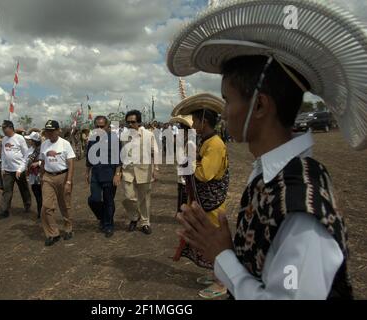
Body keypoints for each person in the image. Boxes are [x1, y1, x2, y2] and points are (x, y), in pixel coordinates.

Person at [167, 0, 367, 299]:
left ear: (259, 105)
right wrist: (227, 252)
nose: (224, 113)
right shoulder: (274, 175)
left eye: (228, 100)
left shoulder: (300, 205)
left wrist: (222, 254)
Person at [170, 94, 229, 299]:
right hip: (205, 202)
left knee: (214, 240)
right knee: (206, 239)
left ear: (204, 122)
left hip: (211, 204)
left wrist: (189, 160)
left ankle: (222, 282)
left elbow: (205, 174)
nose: (193, 124)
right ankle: (216, 275)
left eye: (195, 121)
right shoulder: (207, 142)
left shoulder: (215, 144)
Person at [120, 110, 158, 235]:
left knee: (144, 198)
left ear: (139, 122)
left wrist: (155, 168)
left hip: (144, 171)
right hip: (128, 171)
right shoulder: (124, 136)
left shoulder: (148, 135)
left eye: (133, 122)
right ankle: (134, 217)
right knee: (128, 197)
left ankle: (145, 223)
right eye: (128, 122)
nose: (130, 124)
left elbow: (155, 152)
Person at [39, 120, 76, 246]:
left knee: (65, 204)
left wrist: (69, 181)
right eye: (47, 131)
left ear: (57, 130)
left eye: (51, 131)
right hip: (48, 177)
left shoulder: (65, 144)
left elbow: (71, 163)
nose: (49, 133)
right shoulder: (44, 145)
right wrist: (41, 175)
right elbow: (43, 162)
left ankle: (68, 227)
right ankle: (52, 233)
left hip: (63, 176)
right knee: (46, 206)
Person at [86, 116, 122, 238]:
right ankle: (103, 217)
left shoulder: (114, 139)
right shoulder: (92, 139)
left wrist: (117, 174)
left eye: (102, 126)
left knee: (108, 201)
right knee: (93, 200)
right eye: (97, 126)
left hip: (109, 175)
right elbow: (89, 157)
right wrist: (87, 173)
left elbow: (119, 159)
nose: (99, 128)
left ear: (107, 126)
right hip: (96, 175)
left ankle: (108, 225)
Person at [0, 120, 31, 219]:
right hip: (8, 170)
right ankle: (4, 210)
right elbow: (3, 154)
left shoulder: (19, 138)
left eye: (5, 128)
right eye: (2, 128)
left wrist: (21, 169)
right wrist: (3, 167)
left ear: (11, 128)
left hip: (19, 170)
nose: (3, 130)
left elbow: (26, 154)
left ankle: (27, 205)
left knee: (23, 189)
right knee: (7, 190)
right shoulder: (4, 139)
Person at [25, 131, 43, 219]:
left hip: (39, 175)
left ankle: (41, 213)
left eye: (30, 140)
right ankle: (41, 212)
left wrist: (38, 163)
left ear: (34, 141)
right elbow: (25, 161)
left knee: (40, 194)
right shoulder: (31, 150)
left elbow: (45, 159)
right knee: (37, 194)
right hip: (33, 175)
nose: (29, 141)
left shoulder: (41, 149)